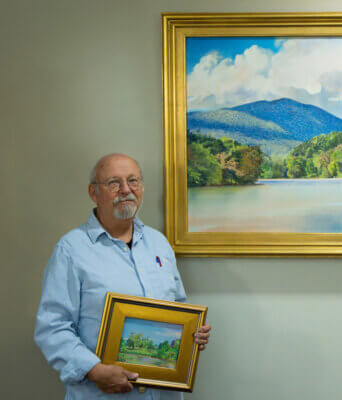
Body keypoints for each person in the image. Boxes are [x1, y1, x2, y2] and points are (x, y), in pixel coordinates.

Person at [34, 153, 211, 399]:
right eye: (114, 183)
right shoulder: (71, 250)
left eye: (133, 181)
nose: (126, 190)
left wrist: (192, 334)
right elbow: (52, 327)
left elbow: (177, 309)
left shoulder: (159, 244)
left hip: (163, 394)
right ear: (94, 193)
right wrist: (93, 370)